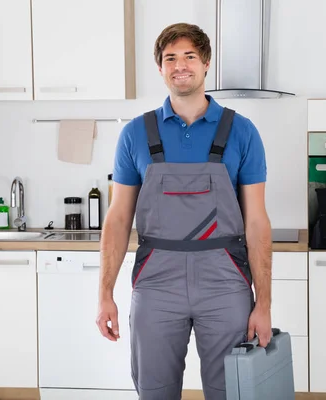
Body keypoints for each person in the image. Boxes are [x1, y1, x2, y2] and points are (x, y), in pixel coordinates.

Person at [96, 22, 273, 400]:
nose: (180, 65)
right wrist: (105, 294)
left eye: (189, 56)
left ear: (206, 63)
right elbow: (117, 219)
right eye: (170, 58)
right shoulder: (135, 134)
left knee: (233, 392)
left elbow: (256, 221)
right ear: (159, 68)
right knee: (154, 391)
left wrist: (264, 304)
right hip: (156, 280)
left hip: (225, 281)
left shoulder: (242, 132)